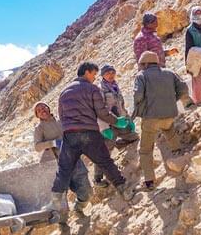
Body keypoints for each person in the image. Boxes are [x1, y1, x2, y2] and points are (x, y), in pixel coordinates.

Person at [50, 62, 134, 219]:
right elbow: (102, 113)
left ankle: (54, 202)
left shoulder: (63, 92)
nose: (95, 78)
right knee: (105, 162)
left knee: (64, 169)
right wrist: (117, 122)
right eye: (94, 74)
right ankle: (124, 191)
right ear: (87, 72)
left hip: (70, 135)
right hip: (89, 133)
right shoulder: (92, 89)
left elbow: (62, 116)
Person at [132, 51, 193, 190]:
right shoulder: (169, 73)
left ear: (146, 63)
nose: (141, 66)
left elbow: (138, 95)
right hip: (170, 114)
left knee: (146, 150)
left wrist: (137, 110)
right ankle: (179, 155)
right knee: (169, 131)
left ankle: (149, 181)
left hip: (151, 118)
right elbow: (183, 88)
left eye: (142, 64)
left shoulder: (141, 76)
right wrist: (174, 101)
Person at [33, 102, 92, 213]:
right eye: (39, 110)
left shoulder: (61, 120)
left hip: (75, 159)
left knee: (86, 191)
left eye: (43, 107)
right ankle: (62, 224)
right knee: (60, 198)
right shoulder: (39, 128)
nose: (42, 110)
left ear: (48, 108)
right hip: (59, 165)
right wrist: (53, 143)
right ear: (37, 115)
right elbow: (37, 147)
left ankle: (79, 207)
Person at [94, 64, 138, 187]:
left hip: (120, 123)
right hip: (108, 125)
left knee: (134, 137)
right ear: (102, 75)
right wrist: (104, 128)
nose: (111, 75)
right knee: (103, 152)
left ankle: (118, 144)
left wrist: (129, 120)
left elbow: (121, 106)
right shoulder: (100, 90)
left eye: (112, 72)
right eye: (108, 73)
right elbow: (99, 111)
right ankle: (97, 179)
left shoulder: (115, 87)